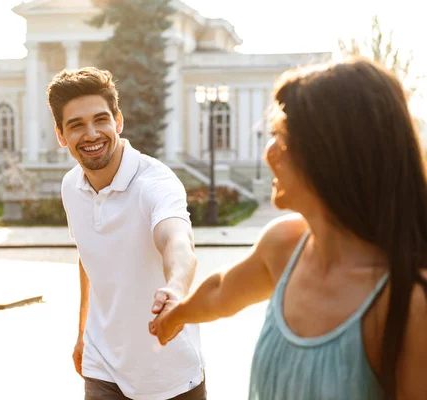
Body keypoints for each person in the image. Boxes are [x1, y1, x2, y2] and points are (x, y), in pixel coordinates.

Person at [149, 57, 427, 399]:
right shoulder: (285, 244)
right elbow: (221, 290)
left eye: (281, 138)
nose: (269, 153)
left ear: (330, 155)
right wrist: (175, 316)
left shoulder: (409, 303)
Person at [47, 67, 206, 400]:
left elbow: (177, 241)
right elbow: (88, 256)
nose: (91, 134)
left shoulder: (155, 183)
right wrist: (82, 334)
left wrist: (176, 289)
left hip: (170, 376)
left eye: (100, 120)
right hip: (102, 368)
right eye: (76, 125)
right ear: (61, 135)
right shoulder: (71, 186)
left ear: (118, 121)